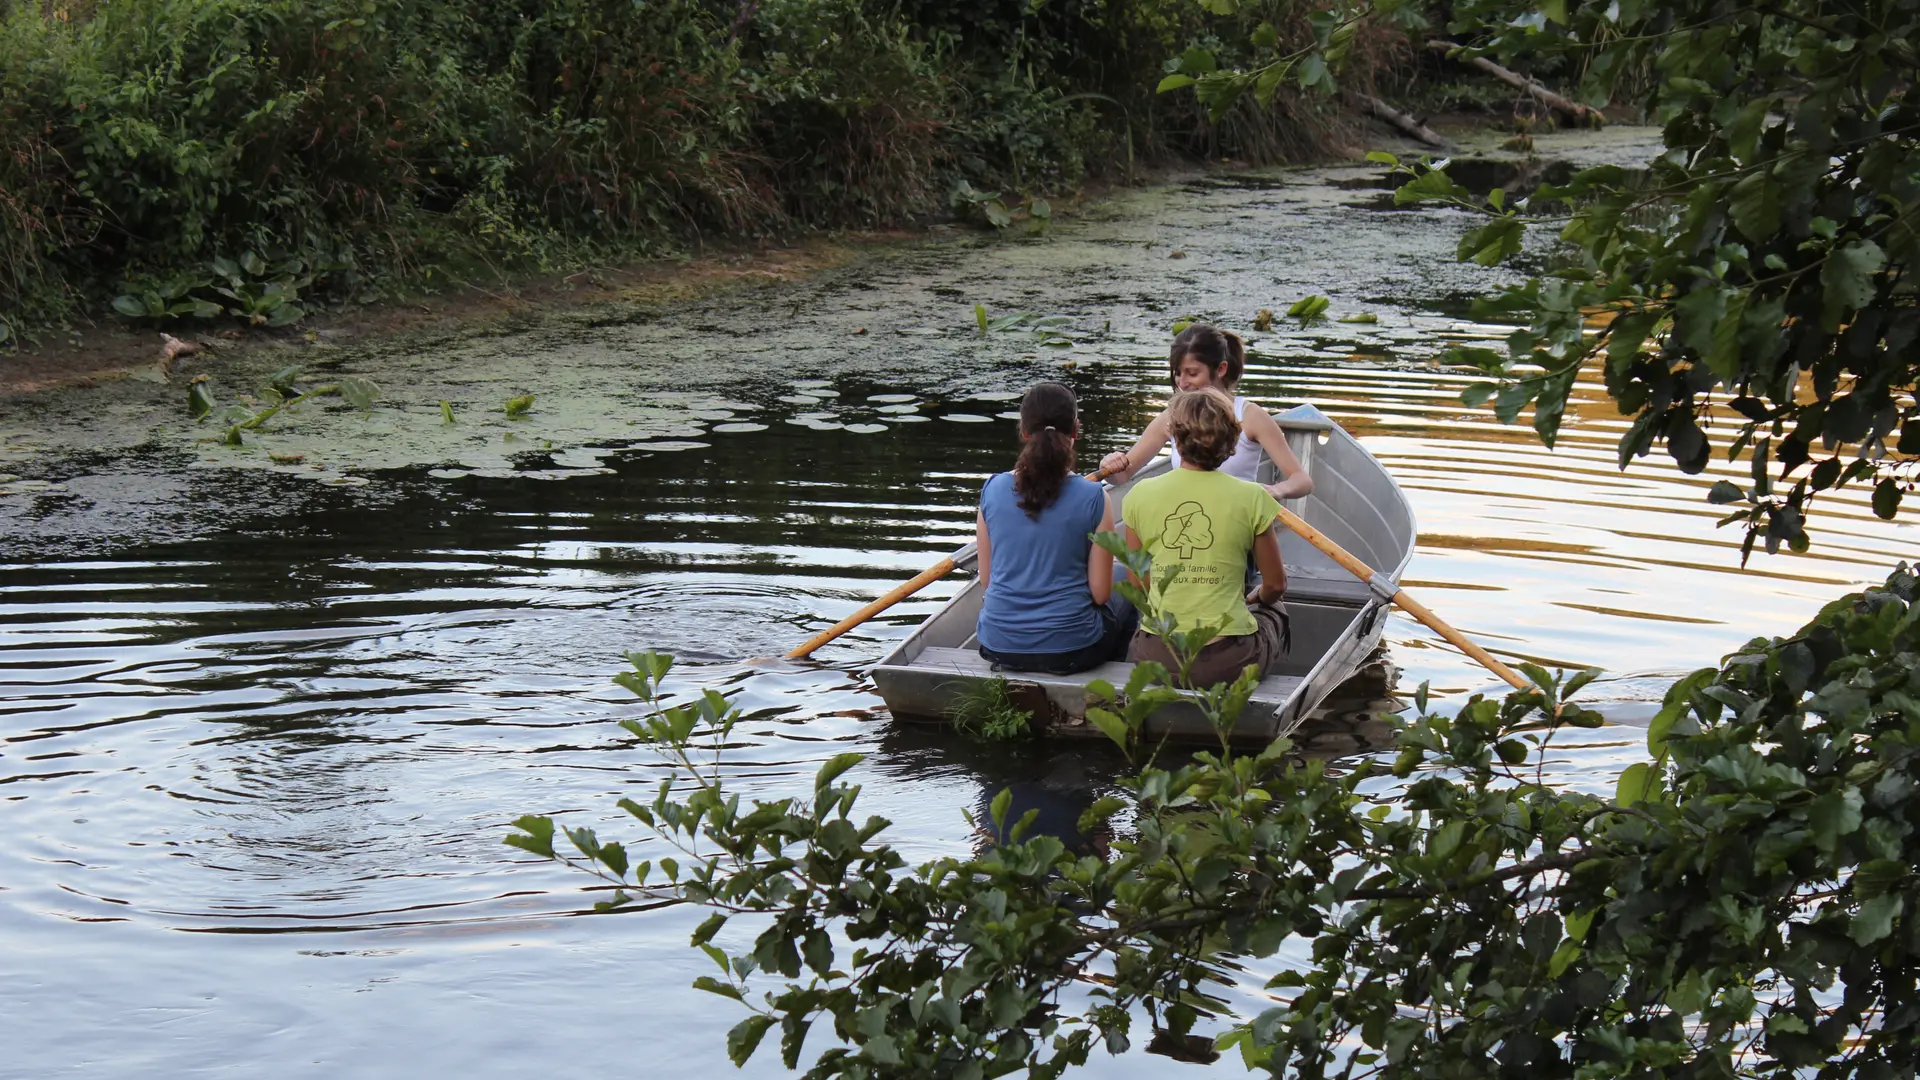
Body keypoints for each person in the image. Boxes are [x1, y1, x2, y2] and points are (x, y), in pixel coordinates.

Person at [1121, 387, 1290, 689]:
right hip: (1227, 662)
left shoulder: (1139, 495)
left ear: (1175, 437)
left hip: (1156, 657)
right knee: (1274, 608)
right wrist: (1257, 599)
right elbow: (1276, 585)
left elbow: (1139, 584)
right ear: (1232, 439)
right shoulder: (1252, 496)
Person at [974, 382, 1137, 675]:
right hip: (1074, 650)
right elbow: (1100, 595)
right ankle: (1113, 670)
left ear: (1023, 430)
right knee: (1128, 576)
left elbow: (987, 580)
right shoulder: (1094, 497)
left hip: (997, 645)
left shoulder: (992, 489)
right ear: (1075, 430)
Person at [1098, 324, 1313, 501]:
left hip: (1237, 525)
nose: (1183, 383)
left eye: (1192, 373)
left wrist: (1275, 490)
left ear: (1220, 369)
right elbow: (1123, 475)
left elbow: (1302, 481)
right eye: (1178, 373)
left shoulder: (1250, 416)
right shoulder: (1171, 417)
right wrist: (1109, 464)